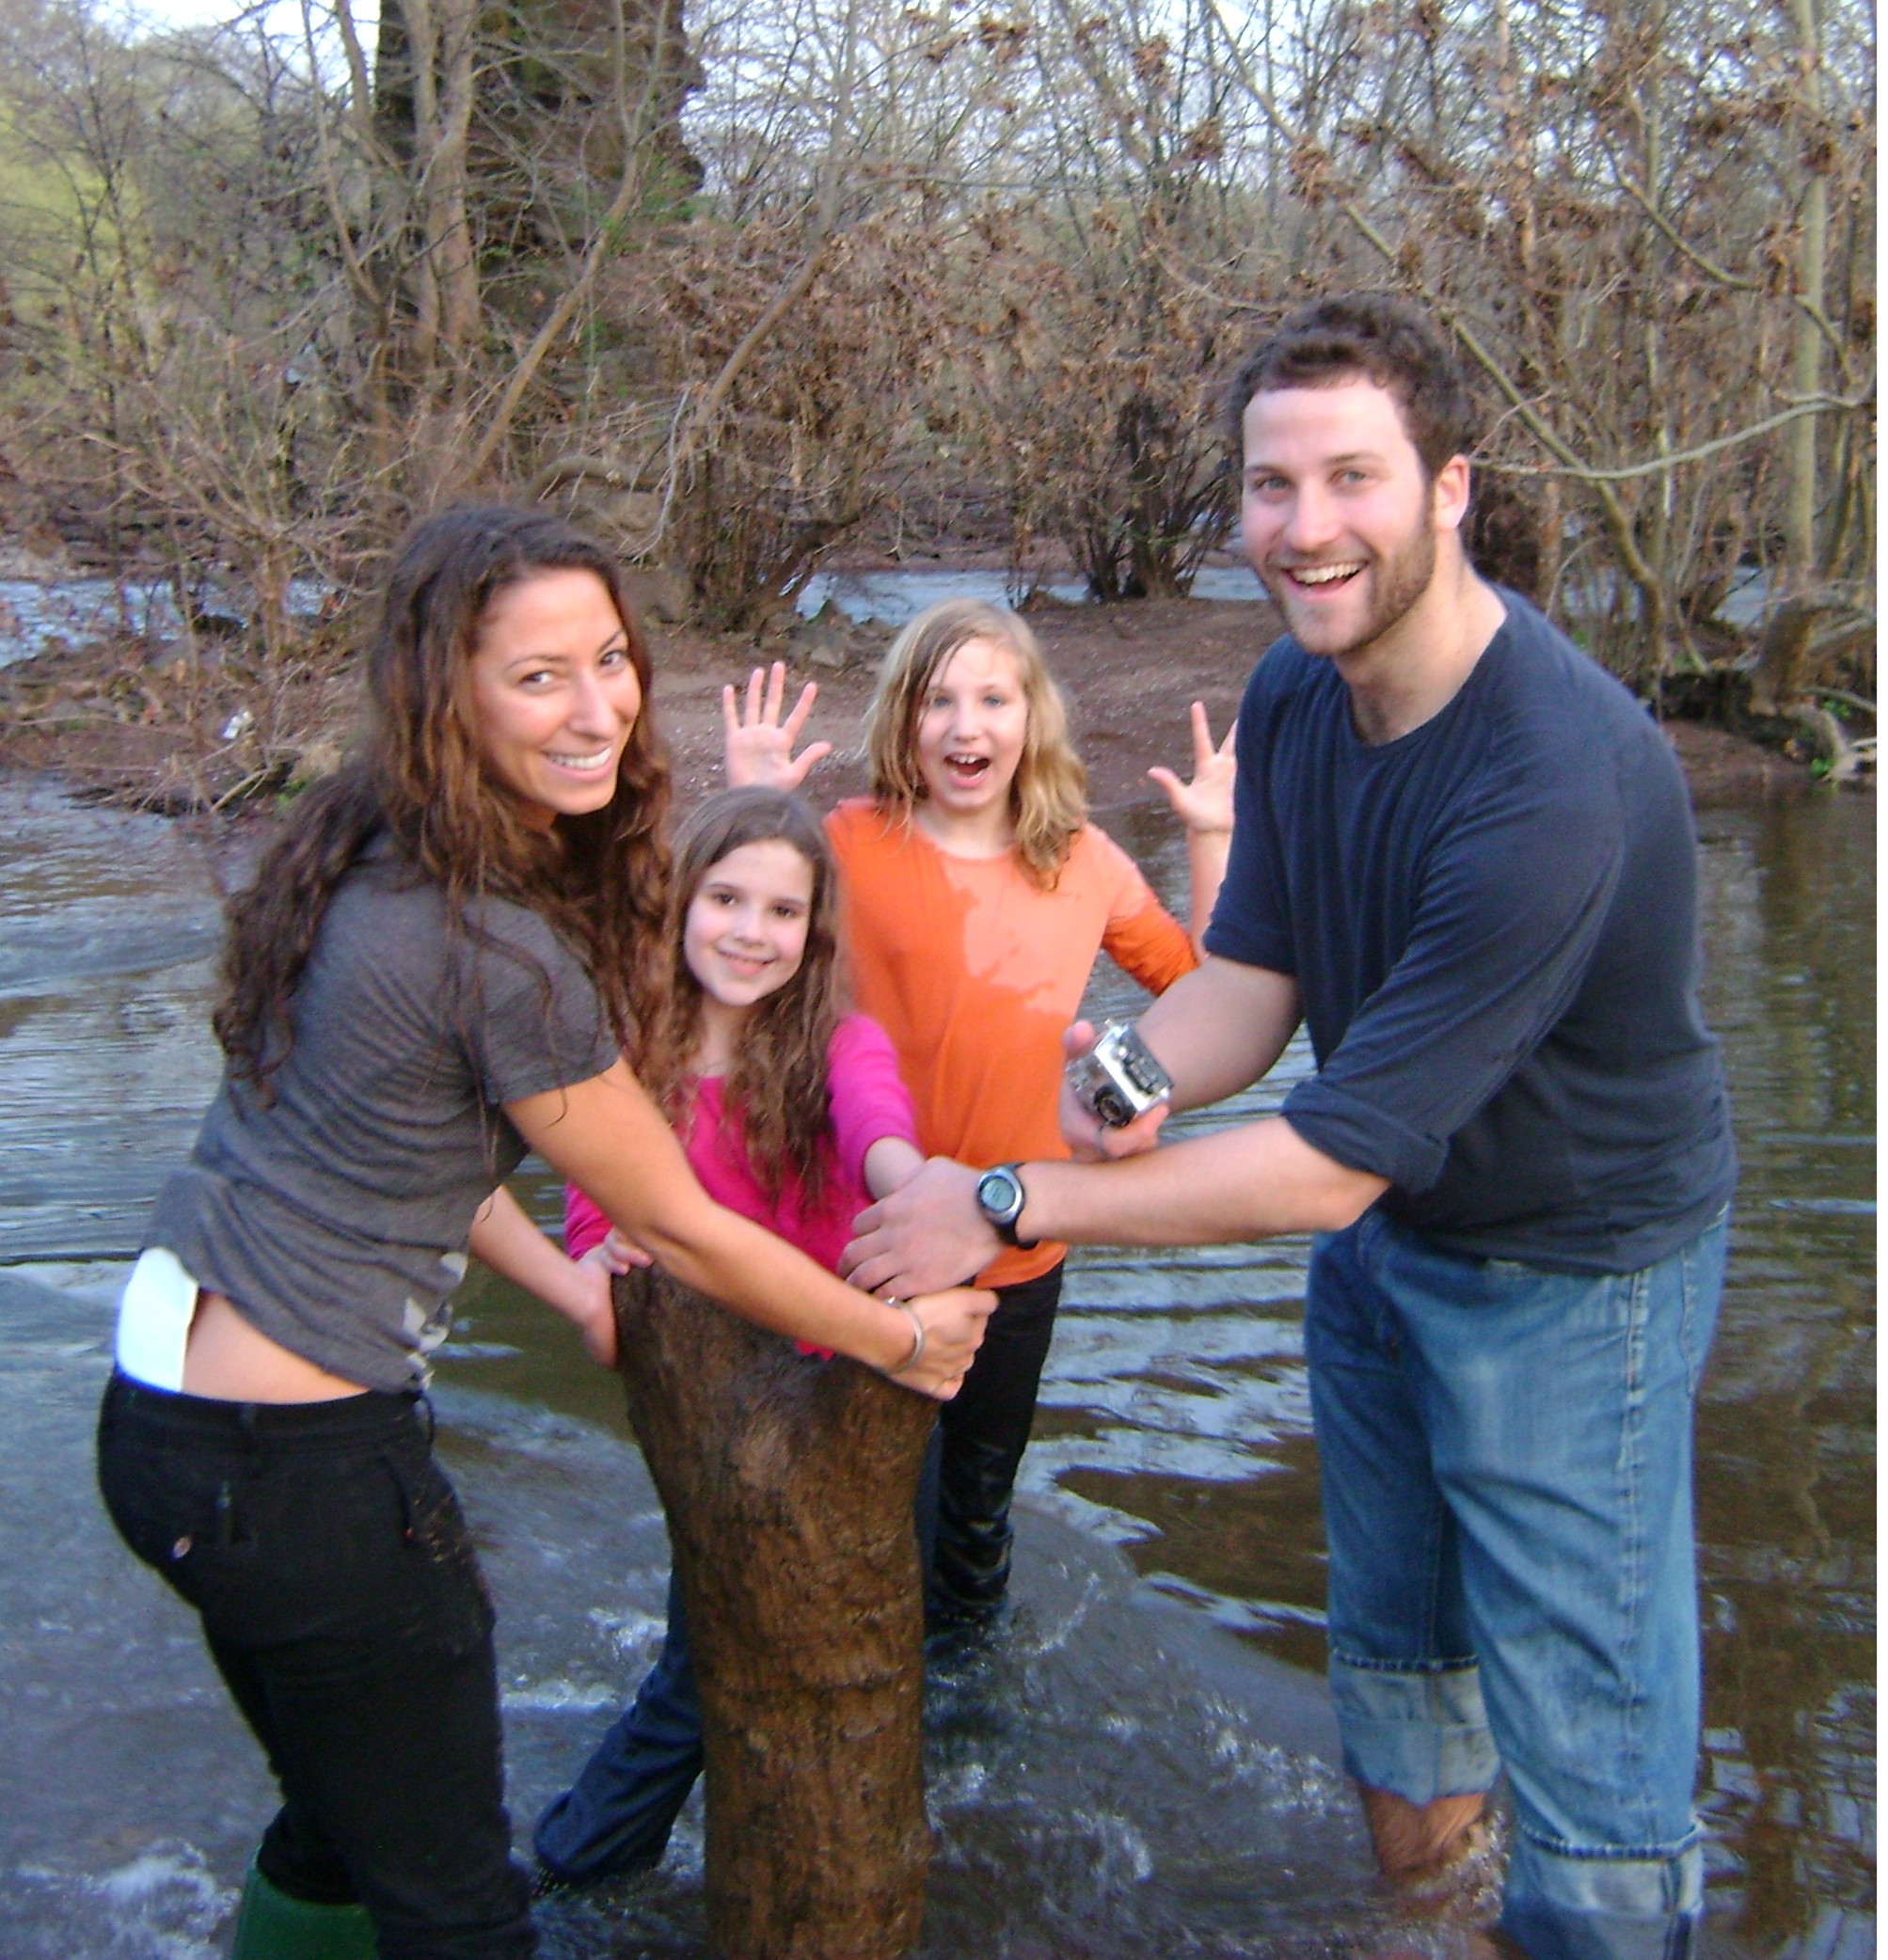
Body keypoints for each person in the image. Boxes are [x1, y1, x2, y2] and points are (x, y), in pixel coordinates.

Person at [839, 295, 1737, 1960]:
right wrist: (1101, 1094)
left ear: (1448, 487)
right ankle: (1430, 1926)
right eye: (1268, 485)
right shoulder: (1298, 690)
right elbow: (1249, 975)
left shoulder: (1556, 777)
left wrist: (1009, 1198)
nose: (1303, 528)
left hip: (1576, 1272)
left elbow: (1329, 1149)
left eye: (1350, 477)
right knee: (1395, 1667)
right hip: (1387, 1239)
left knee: (1589, 1751)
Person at [93, 507, 992, 1960]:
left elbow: (423, 1158)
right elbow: (681, 1229)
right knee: (463, 1913)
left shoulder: (359, 846)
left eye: (613, 660)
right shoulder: (496, 950)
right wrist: (903, 1333)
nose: (598, 709)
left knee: (335, 1834)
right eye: (537, 678)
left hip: (163, 1423)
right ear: (446, 690)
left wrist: (571, 1282)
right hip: (305, 1464)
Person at [722, 601, 1236, 1633]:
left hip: (1019, 1244)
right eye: (940, 699)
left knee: (974, 1520)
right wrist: (749, 809)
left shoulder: (1083, 857)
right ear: (903, 721)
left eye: (993, 698)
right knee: (864, 1503)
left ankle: (965, 1718)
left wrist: (1210, 835)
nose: (967, 725)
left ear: (1031, 716)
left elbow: (1202, 989)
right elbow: (735, 958)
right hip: (869, 1239)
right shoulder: (847, 842)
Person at [529, 783, 928, 1889]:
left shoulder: (835, 1043)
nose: (753, 932)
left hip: (843, 1406)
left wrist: (917, 1189)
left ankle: (630, 1858)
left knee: (844, 1642)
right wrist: (595, 1262)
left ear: (815, 933)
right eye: (727, 898)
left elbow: (879, 1119)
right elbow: (596, 1229)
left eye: (784, 912)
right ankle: (575, 1865)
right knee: (707, 1653)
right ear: (680, 904)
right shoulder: (625, 1069)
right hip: (713, 1429)